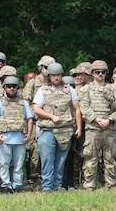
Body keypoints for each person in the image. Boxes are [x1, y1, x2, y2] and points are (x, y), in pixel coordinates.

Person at [32, 62, 82, 193]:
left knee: (61, 160)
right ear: (49, 76)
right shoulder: (43, 90)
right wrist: (51, 116)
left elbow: (77, 109)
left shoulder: (69, 90)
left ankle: (57, 185)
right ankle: (47, 186)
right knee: (48, 159)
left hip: (65, 130)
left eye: (58, 75)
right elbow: (36, 108)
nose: (56, 78)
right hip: (48, 130)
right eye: (53, 75)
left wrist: (79, 127)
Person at [79, 59, 116, 190]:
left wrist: (109, 120)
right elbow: (84, 107)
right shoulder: (86, 89)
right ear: (92, 73)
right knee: (90, 157)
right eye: (97, 72)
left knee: (110, 158)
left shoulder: (112, 89)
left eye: (102, 72)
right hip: (93, 128)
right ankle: (89, 185)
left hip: (109, 128)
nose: (100, 74)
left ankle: (111, 183)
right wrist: (96, 119)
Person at [0, 76, 34, 193]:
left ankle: (17, 185)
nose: (11, 89)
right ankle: (6, 185)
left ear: (18, 88)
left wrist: (29, 134)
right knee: (4, 164)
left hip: (20, 139)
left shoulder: (23, 103)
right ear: (4, 88)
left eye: (14, 87)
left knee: (18, 165)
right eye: (9, 86)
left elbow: (29, 119)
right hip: (4, 138)